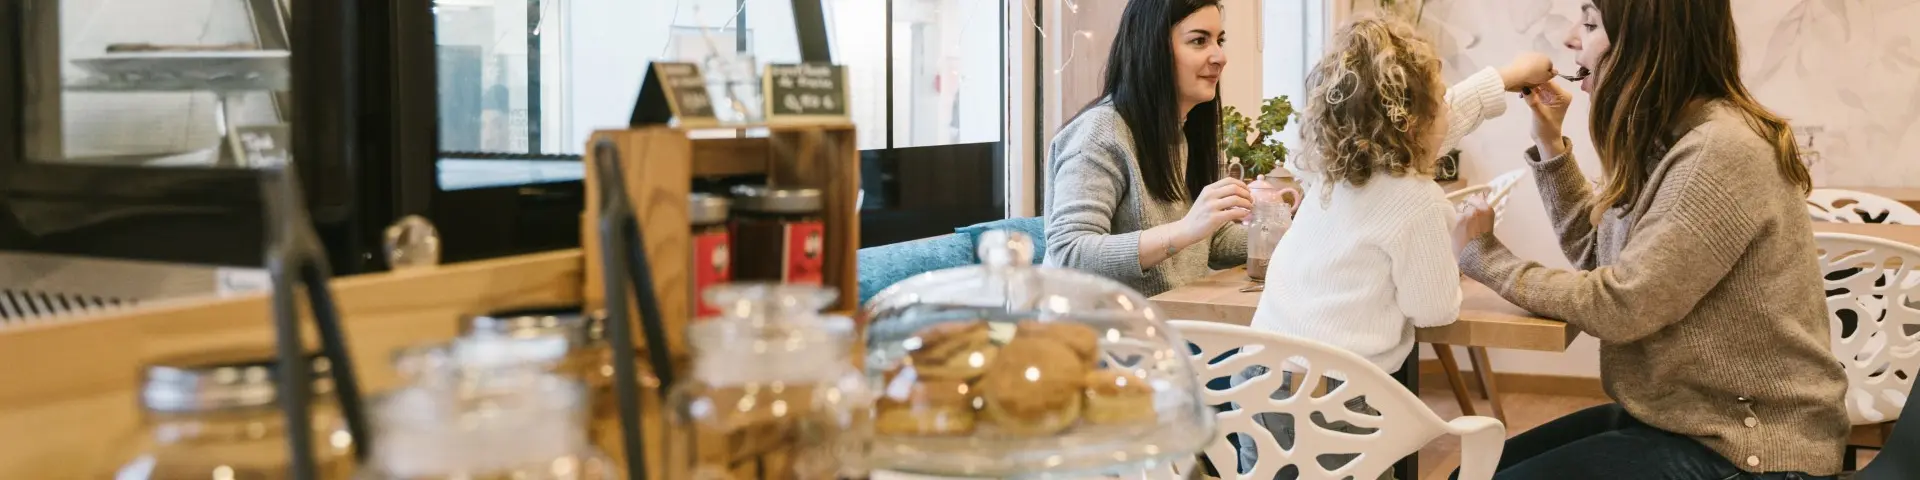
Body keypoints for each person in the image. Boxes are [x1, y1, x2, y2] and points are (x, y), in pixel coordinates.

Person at [1450, 0, 1850, 478]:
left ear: (1649, 45)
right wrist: (1551, 144)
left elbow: (1623, 306)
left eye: (1592, 22)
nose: (1570, 37)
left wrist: (1484, 258)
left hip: (1753, 446)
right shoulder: (1672, 139)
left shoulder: (1720, 151)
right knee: (1472, 472)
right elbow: (1599, 258)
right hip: (1688, 419)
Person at [1233, 16, 1554, 477]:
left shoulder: (1330, 174)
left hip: (1255, 382)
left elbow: (1436, 122)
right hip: (1333, 401)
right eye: (1441, 98)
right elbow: (1433, 310)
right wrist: (1466, 247)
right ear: (1416, 120)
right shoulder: (1418, 202)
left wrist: (1503, 79)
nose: (1449, 106)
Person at [1043, 0, 1245, 297]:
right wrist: (1183, 230)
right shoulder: (1099, 134)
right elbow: (1070, 253)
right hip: (1095, 336)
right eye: (1199, 41)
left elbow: (1207, 241)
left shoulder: (1182, 132)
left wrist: (1282, 232)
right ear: (1152, 48)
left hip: (1169, 326)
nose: (1220, 56)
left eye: (1219, 40)